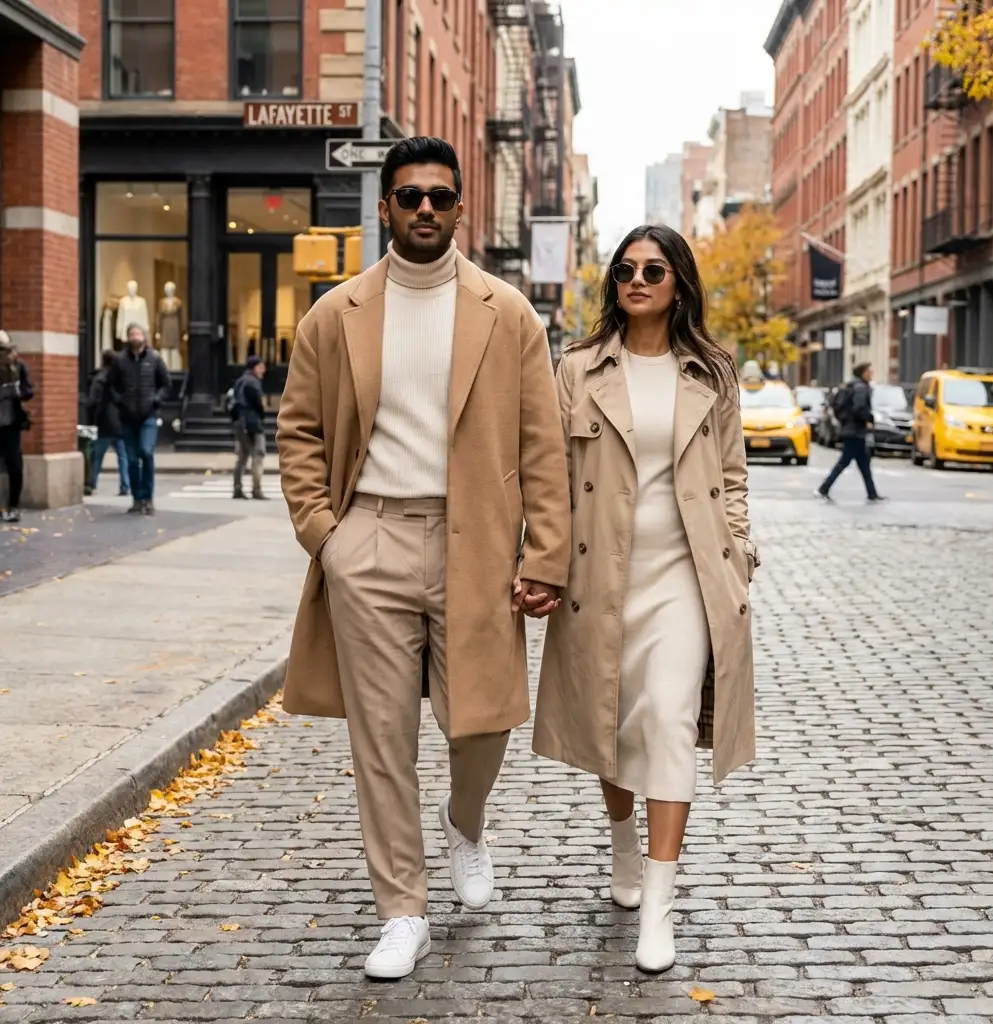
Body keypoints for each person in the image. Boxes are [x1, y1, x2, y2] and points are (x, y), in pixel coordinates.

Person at [277, 137, 570, 981]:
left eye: (440, 197)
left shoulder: (506, 310)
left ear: (460, 205)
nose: (426, 211)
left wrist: (545, 553)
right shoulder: (336, 314)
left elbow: (542, 444)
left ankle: (464, 822)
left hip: (476, 542)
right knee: (381, 737)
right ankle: (402, 910)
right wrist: (327, 537)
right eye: (410, 198)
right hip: (367, 539)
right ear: (385, 207)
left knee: (483, 718)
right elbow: (299, 431)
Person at [533, 224, 758, 973]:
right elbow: (553, 478)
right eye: (625, 270)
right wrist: (541, 560)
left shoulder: (713, 371)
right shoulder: (579, 369)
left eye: (653, 270)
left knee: (664, 719)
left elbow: (732, 477)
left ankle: (658, 909)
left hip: (687, 577)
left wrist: (741, 553)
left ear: (678, 283)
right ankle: (622, 846)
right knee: (611, 721)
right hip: (603, 576)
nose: (637, 280)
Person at [108, 324, 169, 516]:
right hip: (127, 417)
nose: (135, 337)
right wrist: (120, 402)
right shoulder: (119, 361)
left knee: (146, 452)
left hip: (148, 415)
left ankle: (148, 498)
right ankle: (137, 498)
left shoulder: (155, 359)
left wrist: (156, 400)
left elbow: (166, 384)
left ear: (144, 336)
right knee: (132, 460)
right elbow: (111, 386)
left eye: (138, 333)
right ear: (127, 338)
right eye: (132, 334)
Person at [815, 362, 884, 503]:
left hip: (852, 430)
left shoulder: (852, 386)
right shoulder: (861, 388)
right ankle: (823, 488)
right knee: (844, 462)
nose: (872, 373)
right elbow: (859, 408)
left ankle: (872, 493)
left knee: (864, 465)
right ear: (864, 373)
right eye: (870, 371)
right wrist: (868, 419)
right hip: (855, 431)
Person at [86, 350, 130, 497]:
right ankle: (125, 485)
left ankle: (92, 484)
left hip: (104, 421)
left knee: (97, 456)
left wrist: (91, 417)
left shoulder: (99, 379)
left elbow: (93, 401)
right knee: (123, 456)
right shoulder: (121, 379)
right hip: (120, 420)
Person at [0, 331, 34, 523]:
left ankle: (13, 505)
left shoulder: (18, 367)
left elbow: (29, 391)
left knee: (15, 465)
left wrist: (17, 391)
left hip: (11, 422)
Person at [232, 355, 268, 500]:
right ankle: (256, 489)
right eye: (260, 367)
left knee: (241, 457)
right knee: (258, 454)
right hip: (252, 423)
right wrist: (262, 414)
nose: (263, 370)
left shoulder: (239, 381)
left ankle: (237, 488)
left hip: (239, 423)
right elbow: (259, 404)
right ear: (254, 368)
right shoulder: (253, 383)